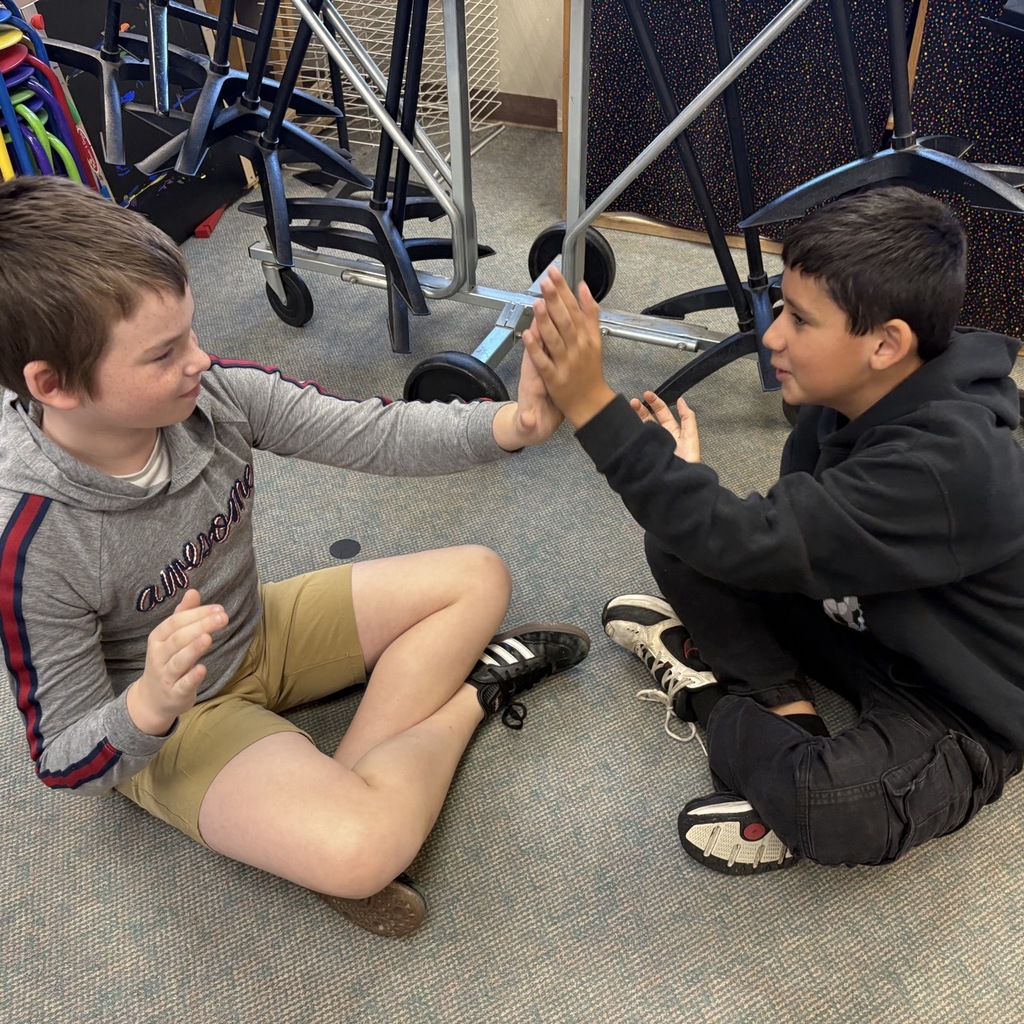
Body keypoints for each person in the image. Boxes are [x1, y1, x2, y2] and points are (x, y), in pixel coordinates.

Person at [0, 175, 590, 937]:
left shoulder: (211, 394)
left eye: (191, 332)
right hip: (174, 718)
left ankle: (344, 793)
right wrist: (149, 703)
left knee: (479, 574)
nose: (199, 359)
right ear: (54, 385)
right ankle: (471, 701)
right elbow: (62, 757)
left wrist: (514, 423)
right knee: (365, 846)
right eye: (163, 353)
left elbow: (370, 431)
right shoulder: (32, 542)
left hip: (255, 631)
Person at [522, 185, 1024, 875]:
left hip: (957, 699)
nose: (771, 335)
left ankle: (709, 698)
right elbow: (772, 532)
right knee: (680, 535)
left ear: (886, 343)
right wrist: (685, 489)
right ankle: (784, 709)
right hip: (864, 616)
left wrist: (590, 403)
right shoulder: (842, 399)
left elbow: (748, 538)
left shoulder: (949, 465)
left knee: (832, 806)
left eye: (799, 319)